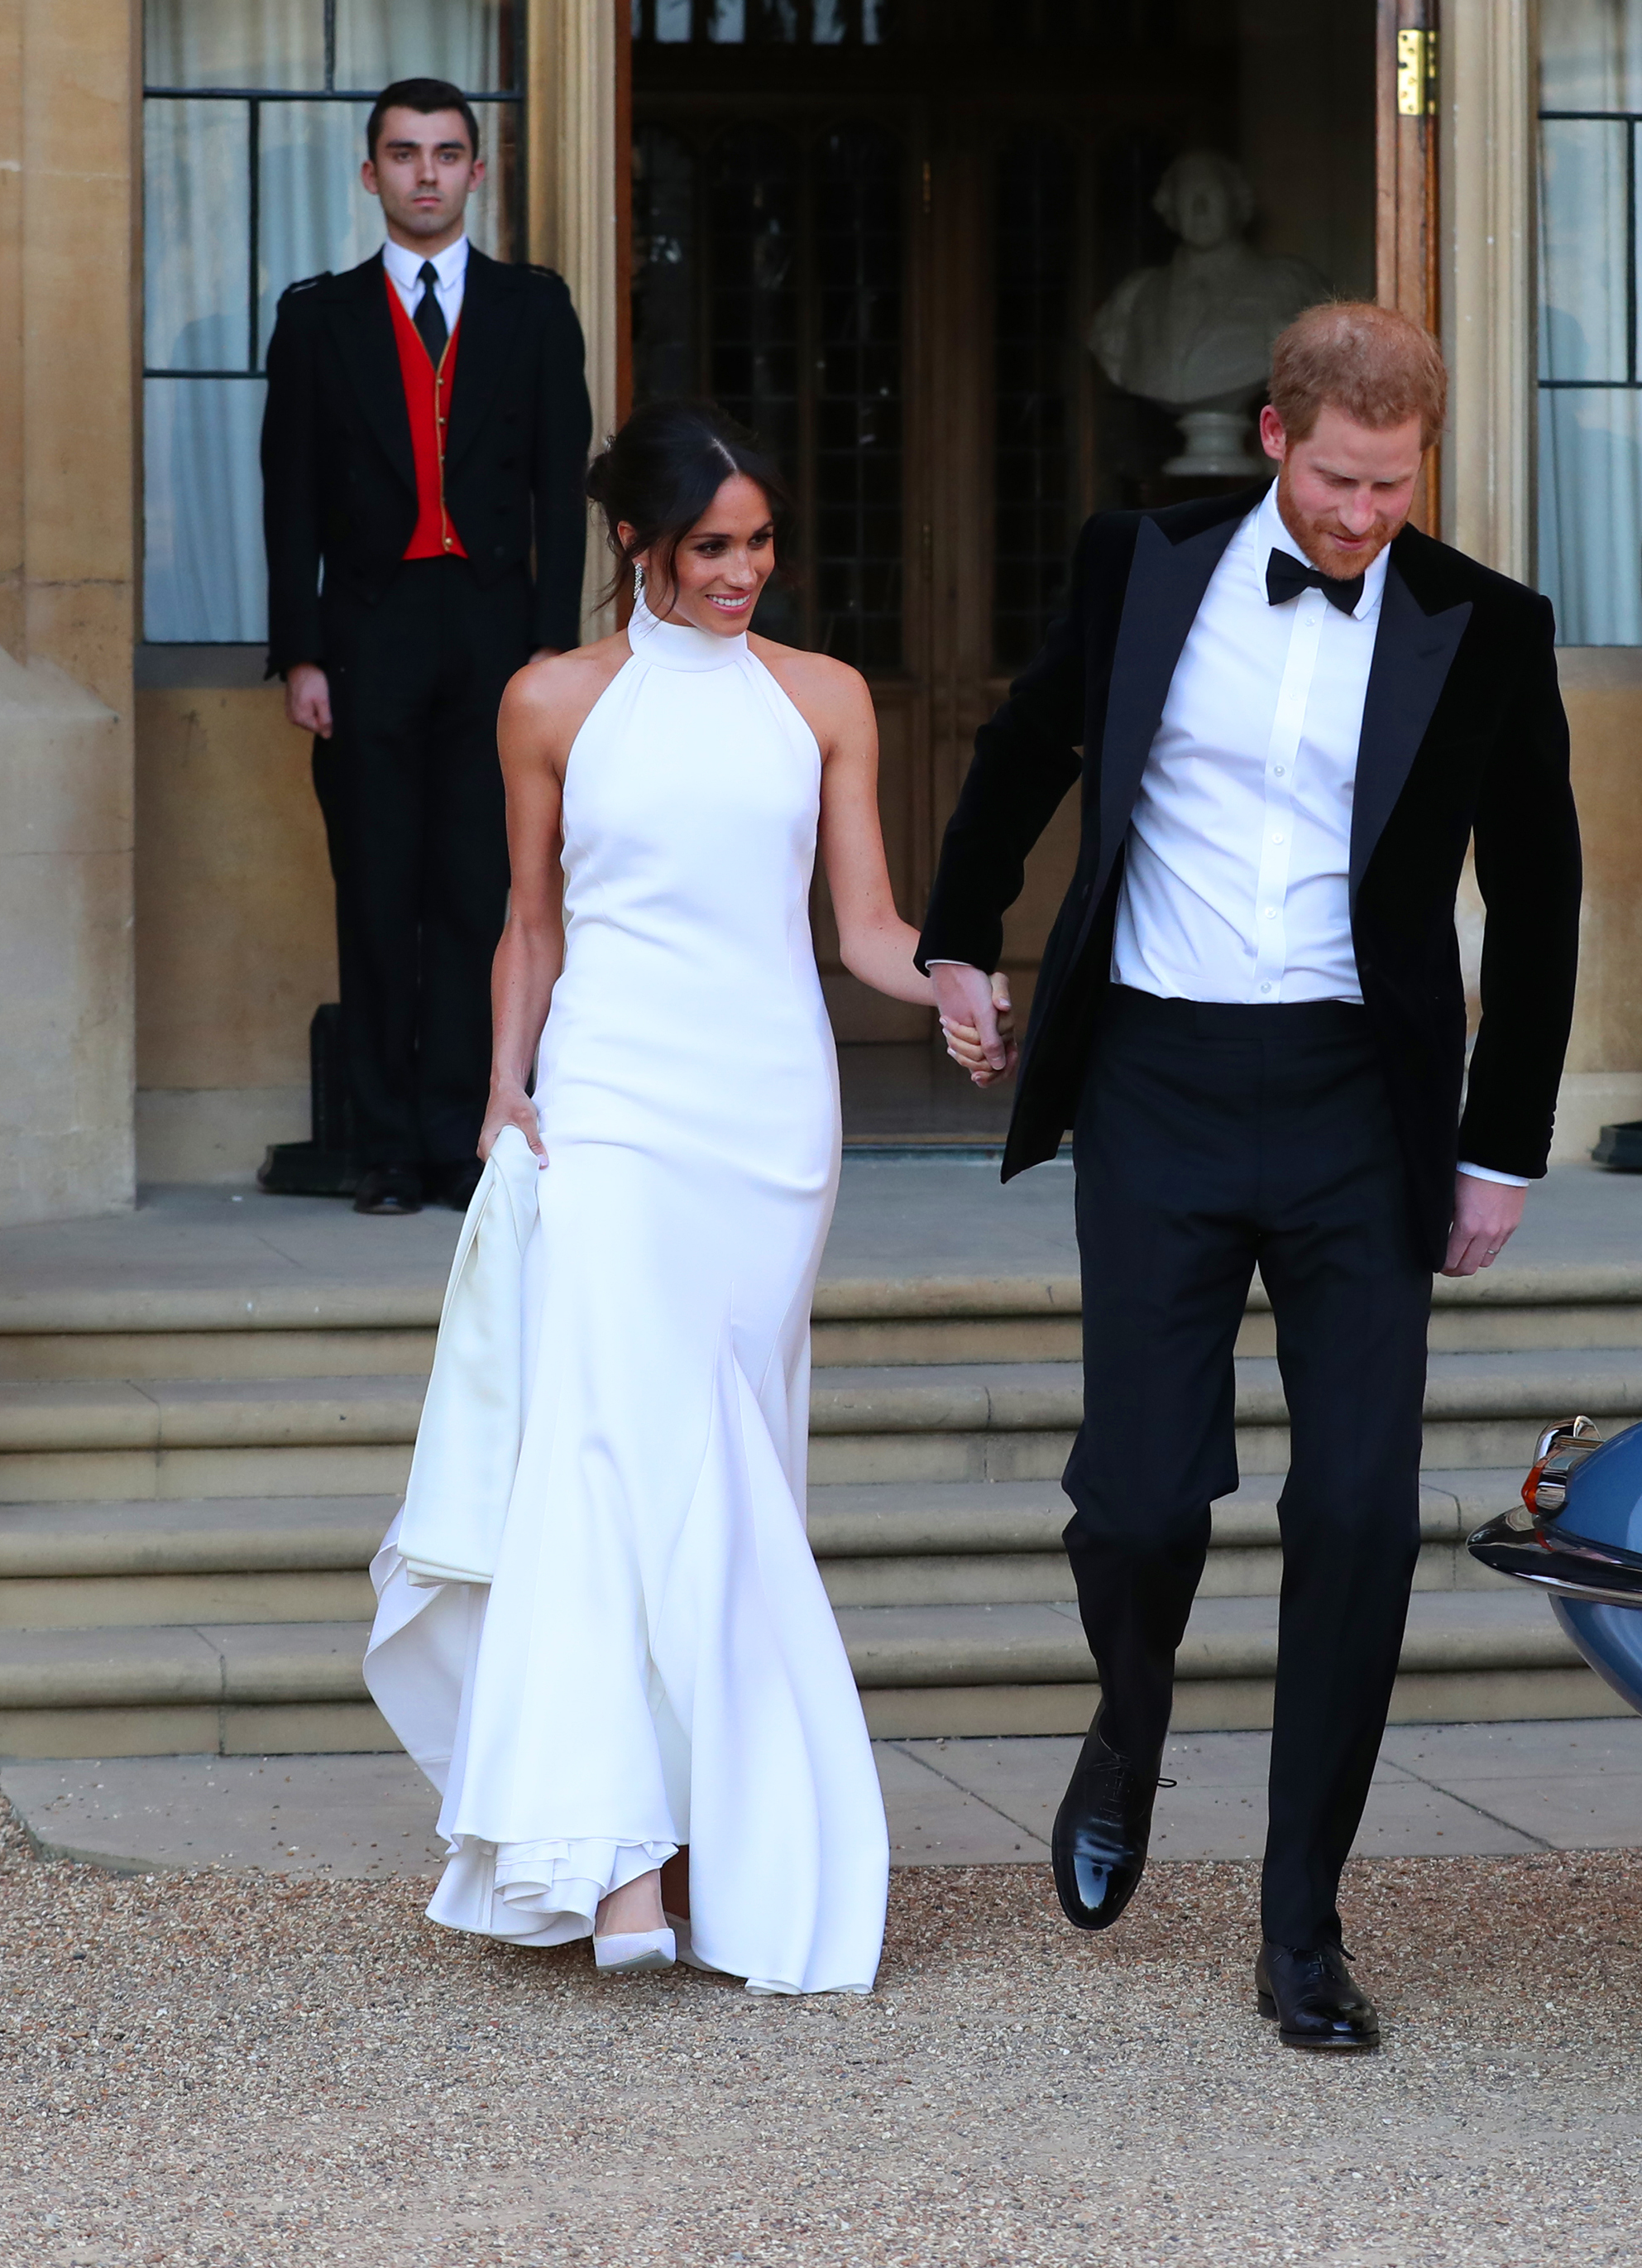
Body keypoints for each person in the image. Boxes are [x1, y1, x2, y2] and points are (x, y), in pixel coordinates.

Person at [928, 302, 1581, 2051]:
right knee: (1139, 1501)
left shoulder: (1485, 627)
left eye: (1398, 481)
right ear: (1277, 436)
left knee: (1357, 1516)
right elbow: (1027, 742)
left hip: (1361, 1108)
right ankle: (1126, 1729)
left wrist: (1498, 1149)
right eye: (1344, 477)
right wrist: (953, 942)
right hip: (1154, 1075)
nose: (1369, 513)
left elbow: (1536, 895)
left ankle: (1303, 1928)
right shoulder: (1141, 561)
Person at [366, 400, 1009, 1992]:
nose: (745, 571)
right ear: (638, 548)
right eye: (713, 546)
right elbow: (533, 920)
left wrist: (943, 980)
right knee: (607, 1449)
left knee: (734, 1458)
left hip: (770, 1116)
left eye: (762, 541)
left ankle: (704, 1814)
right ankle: (623, 1861)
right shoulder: (553, 700)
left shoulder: (828, 698)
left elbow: (858, 922)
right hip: (613, 1103)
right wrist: (509, 1085)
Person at [261, 77, 592, 1217]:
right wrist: (299, 652)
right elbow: (287, 498)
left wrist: (555, 651)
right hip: (366, 631)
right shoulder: (318, 316)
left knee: (479, 889)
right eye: (404, 154)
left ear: (476, 171)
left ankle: (465, 1131)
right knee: (375, 889)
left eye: (447, 153)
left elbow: (562, 487)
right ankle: (386, 1147)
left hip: (497, 633)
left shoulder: (534, 310)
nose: (426, 173)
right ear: (371, 175)